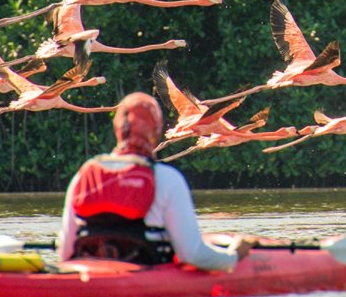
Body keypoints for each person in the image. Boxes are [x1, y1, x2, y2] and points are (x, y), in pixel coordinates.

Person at [58, 92, 255, 268]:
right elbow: (192, 254)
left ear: (117, 128)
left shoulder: (83, 175)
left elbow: (65, 253)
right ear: (155, 129)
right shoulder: (167, 178)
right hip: (144, 270)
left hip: (90, 277)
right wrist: (234, 255)